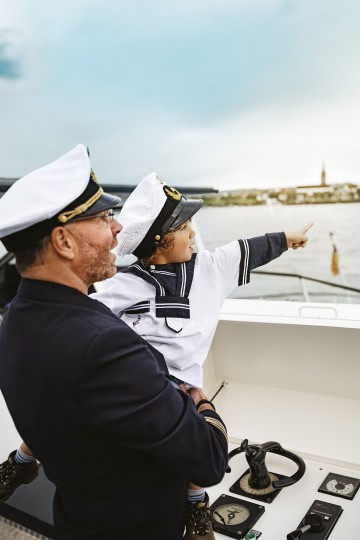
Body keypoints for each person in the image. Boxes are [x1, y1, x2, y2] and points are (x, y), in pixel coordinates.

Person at [0, 145, 228, 540]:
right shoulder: (105, 348)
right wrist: (201, 402)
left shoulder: (16, 321)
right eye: (105, 217)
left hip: (78, 517)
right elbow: (207, 458)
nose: (119, 228)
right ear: (64, 242)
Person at [90, 172, 312, 539]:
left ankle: (196, 502)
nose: (194, 232)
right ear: (160, 241)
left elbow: (246, 249)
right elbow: (88, 321)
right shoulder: (121, 285)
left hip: (181, 389)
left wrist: (287, 239)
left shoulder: (209, 269)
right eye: (186, 225)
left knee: (195, 445)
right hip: (136, 383)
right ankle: (24, 459)